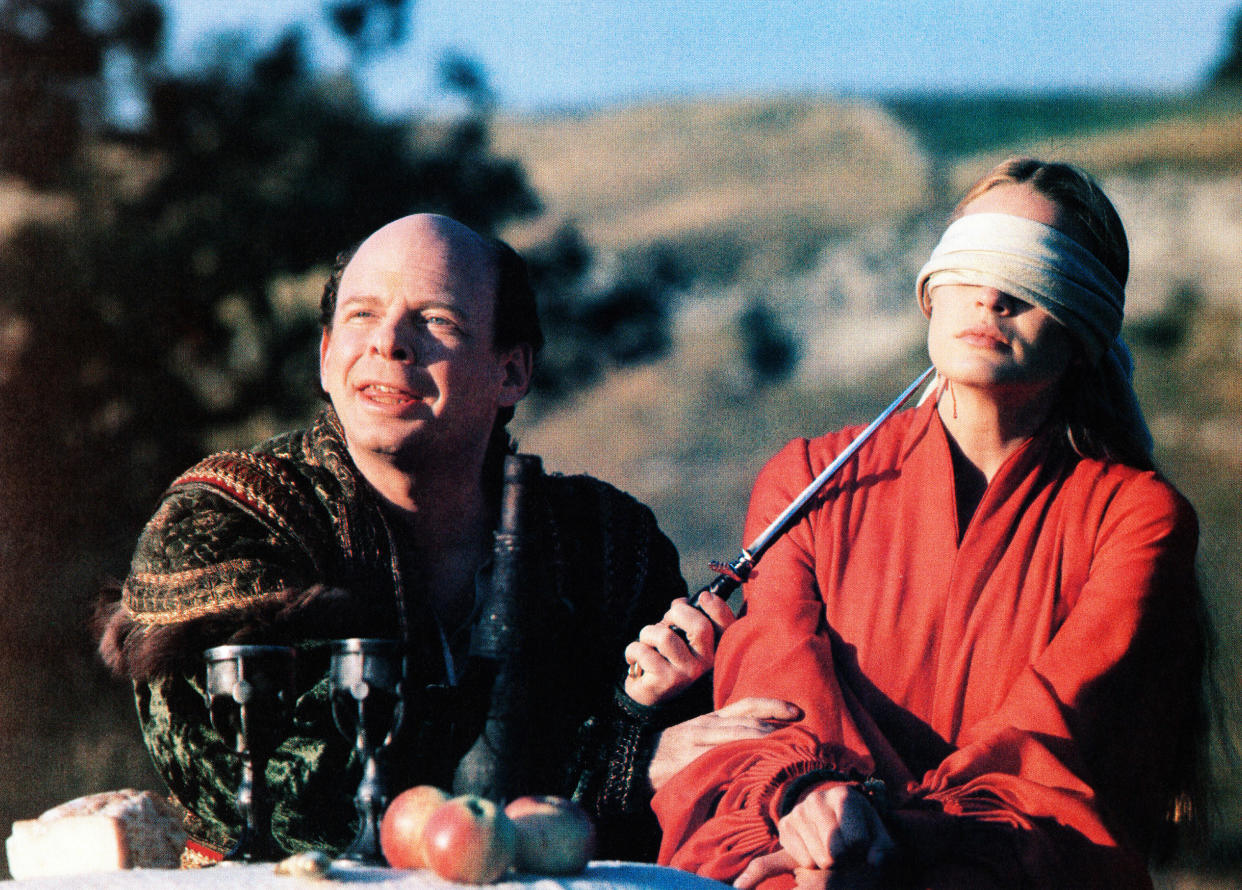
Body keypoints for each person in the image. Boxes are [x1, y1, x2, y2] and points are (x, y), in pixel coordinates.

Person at [97, 213, 796, 865]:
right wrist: (620, 760)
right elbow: (300, 794)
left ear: (512, 371)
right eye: (361, 315)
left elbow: (694, 772)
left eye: (435, 320)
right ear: (325, 354)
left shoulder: (610, 545)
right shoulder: (224, 521)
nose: (388, 342)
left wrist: (642, 710)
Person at [652, 159, 1206, 889]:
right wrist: (810, 798)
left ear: (1086, 324)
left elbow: (1049, 756)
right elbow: (774, 699)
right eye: (972, 262)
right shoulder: (808, 480)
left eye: (1034, 273)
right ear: (931, 294)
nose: (993, 295)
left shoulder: (1135, 519)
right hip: (792, 851)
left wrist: (881, 846)